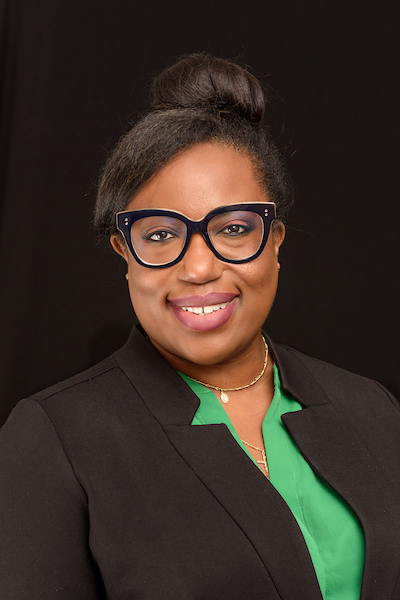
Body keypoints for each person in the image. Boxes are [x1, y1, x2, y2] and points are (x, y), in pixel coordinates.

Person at [1, 53, 399, 600]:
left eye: (234, 228)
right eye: (161, 235)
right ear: (125, 252)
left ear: (275, 241)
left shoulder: (372, 408)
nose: (199, 267)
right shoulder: (54, 439)